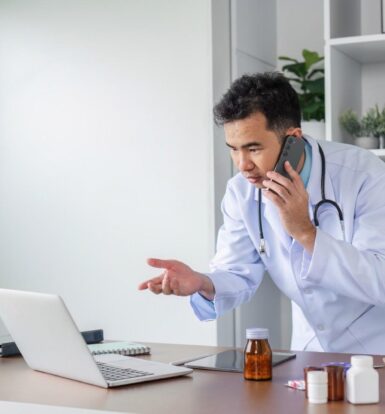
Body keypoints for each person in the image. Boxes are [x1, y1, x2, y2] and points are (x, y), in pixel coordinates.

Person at [139, 72, 385, 354]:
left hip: (377, 348)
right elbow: (238, 273)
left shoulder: (365, 175)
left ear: (293, 138)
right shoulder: (241, 192)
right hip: (311, 351)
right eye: (234, 149)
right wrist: (202, 282)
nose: (242, 165)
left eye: (253, 148)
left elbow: (381, 278)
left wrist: (305, 232)